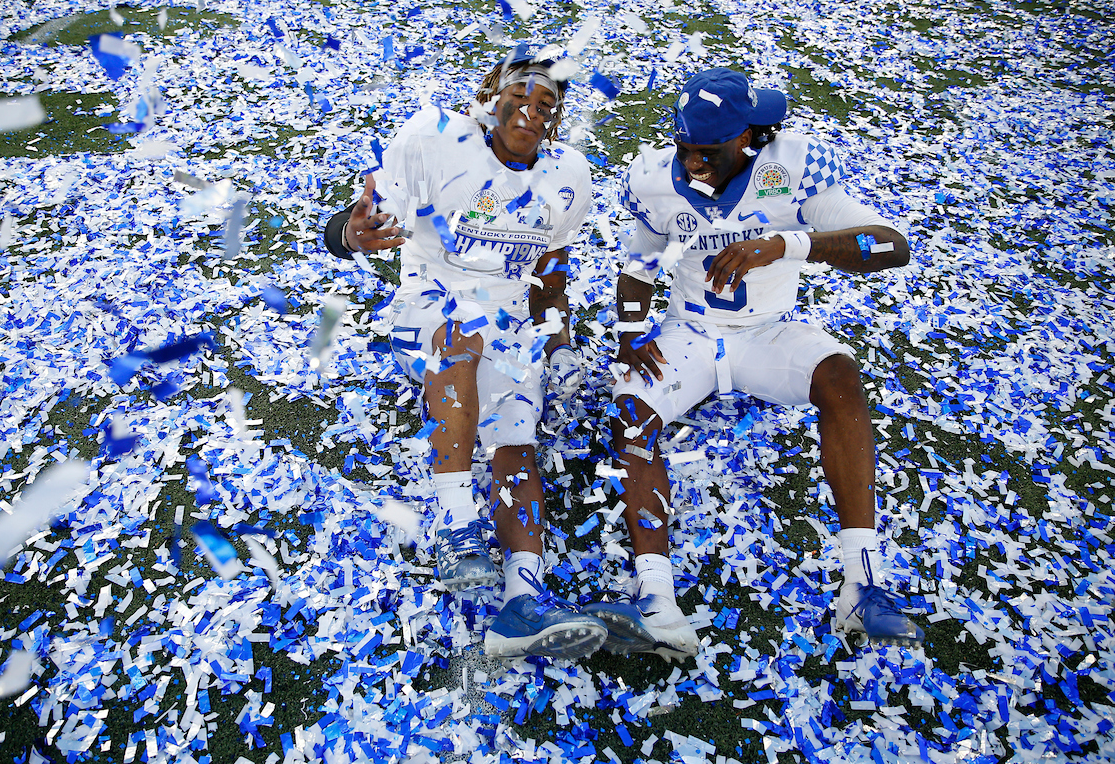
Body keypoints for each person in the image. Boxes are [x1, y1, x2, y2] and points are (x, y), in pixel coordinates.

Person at [582, 67, 924, 659]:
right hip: (690, 328)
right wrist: (630, 332)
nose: (692, 164)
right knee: (630, 413)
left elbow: (892, 245)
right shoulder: (651, 179)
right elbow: (639, 264)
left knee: (841, 379)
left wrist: (786, 244)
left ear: (746, 138)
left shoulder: (791, 166)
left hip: (768, 330)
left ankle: (861, 584)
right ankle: (658, 603)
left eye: (708, 152)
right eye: (684, 147)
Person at [322, 44, 607, 659]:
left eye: (546, 103)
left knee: (517, 441)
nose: (531, 110)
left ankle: (521, 602)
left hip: (510, 323)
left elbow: (551, 266)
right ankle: (454, 521)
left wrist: (558, 340)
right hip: (430, 304)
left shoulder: (570, 175)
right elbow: (365, 219)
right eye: (520, 93)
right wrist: (350, 233)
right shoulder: (434, 140)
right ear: (489, 93)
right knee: (464, 334)